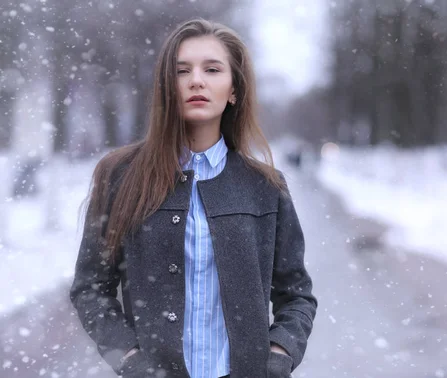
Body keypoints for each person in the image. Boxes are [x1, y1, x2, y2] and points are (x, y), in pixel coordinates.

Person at [70, 18, 317, 378]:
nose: (196, 80)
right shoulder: (121, 176)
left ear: (234, 89)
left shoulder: (265, 186)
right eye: (181, 70)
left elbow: (296, 294)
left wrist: (278, 356)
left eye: (213, 69)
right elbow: (91, 289)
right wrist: (129, 359)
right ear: (166, 87)